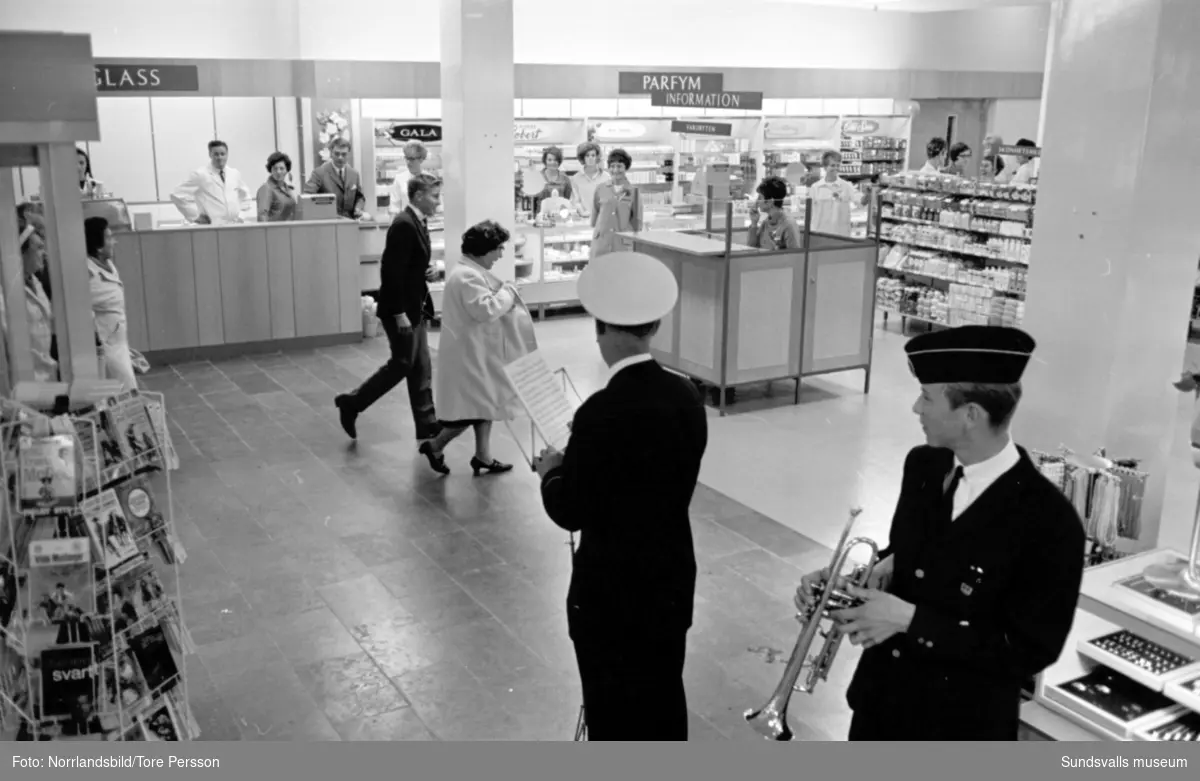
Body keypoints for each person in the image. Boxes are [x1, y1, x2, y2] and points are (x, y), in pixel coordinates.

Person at [795, 325, 1085, 741]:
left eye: (927, 397)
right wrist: (849, 585)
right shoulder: (924, 467)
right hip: (880, 705)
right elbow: (912, 561)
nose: (916, 407)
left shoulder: (1049, 522)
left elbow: (1029, 651)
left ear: (971, 415)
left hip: (958, 725)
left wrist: (910, 621)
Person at [533, 251, 708, 741]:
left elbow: (572, 510)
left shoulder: (600, 411)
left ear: (600, 329)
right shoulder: (687, 395)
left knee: (612, 710)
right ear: (653, 326)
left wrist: (552, 471)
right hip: (671, 576)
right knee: (663, 696)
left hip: (612, 591)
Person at [335, 173, 443, 452]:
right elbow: (390, 272)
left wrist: (426, 271)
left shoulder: (419, 221)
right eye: (434, 195)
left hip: (413, 304)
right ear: (418, 195)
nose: (438, 201)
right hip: (401, 308)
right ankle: (353, 402)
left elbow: (409, 265)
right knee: (404, 363)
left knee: (420, 365)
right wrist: (397, 314)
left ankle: (427, 423)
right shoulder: (404, 224)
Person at [420, 220, 537, 476]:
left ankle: (482, 455)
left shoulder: (467, 272)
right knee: (473, 408)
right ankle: (436, 445)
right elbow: (486, 310)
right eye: (498, 249)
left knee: (484, 403)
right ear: (485, 249)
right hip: (469, 355)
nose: (501, 254)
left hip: (474, 351)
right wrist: (507, 291)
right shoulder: (468, 277)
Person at [84, 216, 137, 389]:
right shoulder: (87, 273)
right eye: (108, 238)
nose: (114, 242)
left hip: (118, 341)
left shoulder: (107, 264)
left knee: (126, 391)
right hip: (106, 347)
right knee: (123, 392)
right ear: (98, 245)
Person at [10, 210, 58, 381]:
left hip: (45, 374)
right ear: (20, 253)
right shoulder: (6, 295)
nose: (44, 253)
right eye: (38, 248)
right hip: (23, 382)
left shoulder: (34, 283)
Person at [170, 140, 253, 225]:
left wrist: (242, 215)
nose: (220, 157)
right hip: (211, 226)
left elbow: (246, 195)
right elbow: (176, 194)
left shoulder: (234, 174)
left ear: (227, 155)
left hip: (234, 224)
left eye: (222, 154)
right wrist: (195, 216)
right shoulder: (200, 175)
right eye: (216, 154)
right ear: (210, 155)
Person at [591, 148, 639, 258]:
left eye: (619, 166)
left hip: (622, 246)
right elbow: (594, 219)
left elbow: (637, 224)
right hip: (602, 244)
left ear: (626, 167)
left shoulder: (634, 192)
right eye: (612, 166)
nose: (615, 170)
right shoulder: (600, 189)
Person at [305, 137, 367, 220]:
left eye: (344, 154)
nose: (340, 157)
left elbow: (360, 197)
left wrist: (358, 208)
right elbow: (307, 198)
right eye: (337, 154)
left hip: (350, 223)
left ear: (348, 154)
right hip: (328, 223)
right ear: (331, 153)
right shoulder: (319, 173)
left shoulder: (354, 174)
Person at [809, 151, 864, 237]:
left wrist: (869, 195)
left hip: (841, 235)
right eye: (832, 165)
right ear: (825, 167)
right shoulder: (815, 187)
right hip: (820, 234)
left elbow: (860, 204)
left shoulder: (846, 186)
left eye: (838, 165)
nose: (836, 168)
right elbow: (810, 212)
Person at [746, 176, 801, 250]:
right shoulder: (766, 222)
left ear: (770, 202)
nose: (757, 201)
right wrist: (754, 223)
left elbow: (795, 256)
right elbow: (751, 248)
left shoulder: (789, 225)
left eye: (760, 197)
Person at [569, 142, 610, 219]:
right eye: (587, 155)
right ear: (583, 158)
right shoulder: (576, 178)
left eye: (593, 155)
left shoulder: (606, 177)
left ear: (597, 157)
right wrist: (582, 212)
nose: (590, 158)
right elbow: (575, 201)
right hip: (583, 219)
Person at [389, 140, 428, 216]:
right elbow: (394, 208)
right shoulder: (399, 179)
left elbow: (438, 209)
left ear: (421, 159)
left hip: (426, 225)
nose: (408, 162)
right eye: (406, 158)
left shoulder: (431, 179)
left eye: (412, 159)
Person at [256, 151, 297, 222]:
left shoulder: (287, 188)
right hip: (274, 231)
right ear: (270, 170)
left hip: (289, 230)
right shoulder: (266, 188)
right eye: (275, 168)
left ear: (287, 170)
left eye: (281, 168)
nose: (278, 172)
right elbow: (262, 216)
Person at [532, 145, 573, 215]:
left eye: (555, 160)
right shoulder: (538, 177)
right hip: (541, 218)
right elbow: (533, 201)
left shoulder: (565, 179)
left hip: (560, 217)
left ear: (559, 161)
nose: (552, 162)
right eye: (549, 160)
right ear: (545, 161)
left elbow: (566, 199)